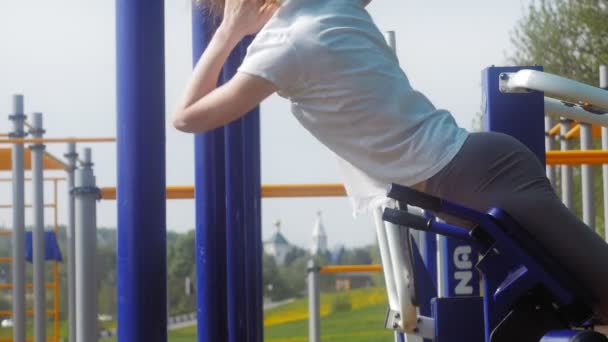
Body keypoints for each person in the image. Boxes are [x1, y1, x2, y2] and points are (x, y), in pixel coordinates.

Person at [173, 0, 608, 321]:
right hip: (475, 173)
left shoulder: (282, 46)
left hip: (479, 178)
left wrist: (227, 32)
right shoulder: (331, 7)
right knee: (581, 304)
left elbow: (186, 117)